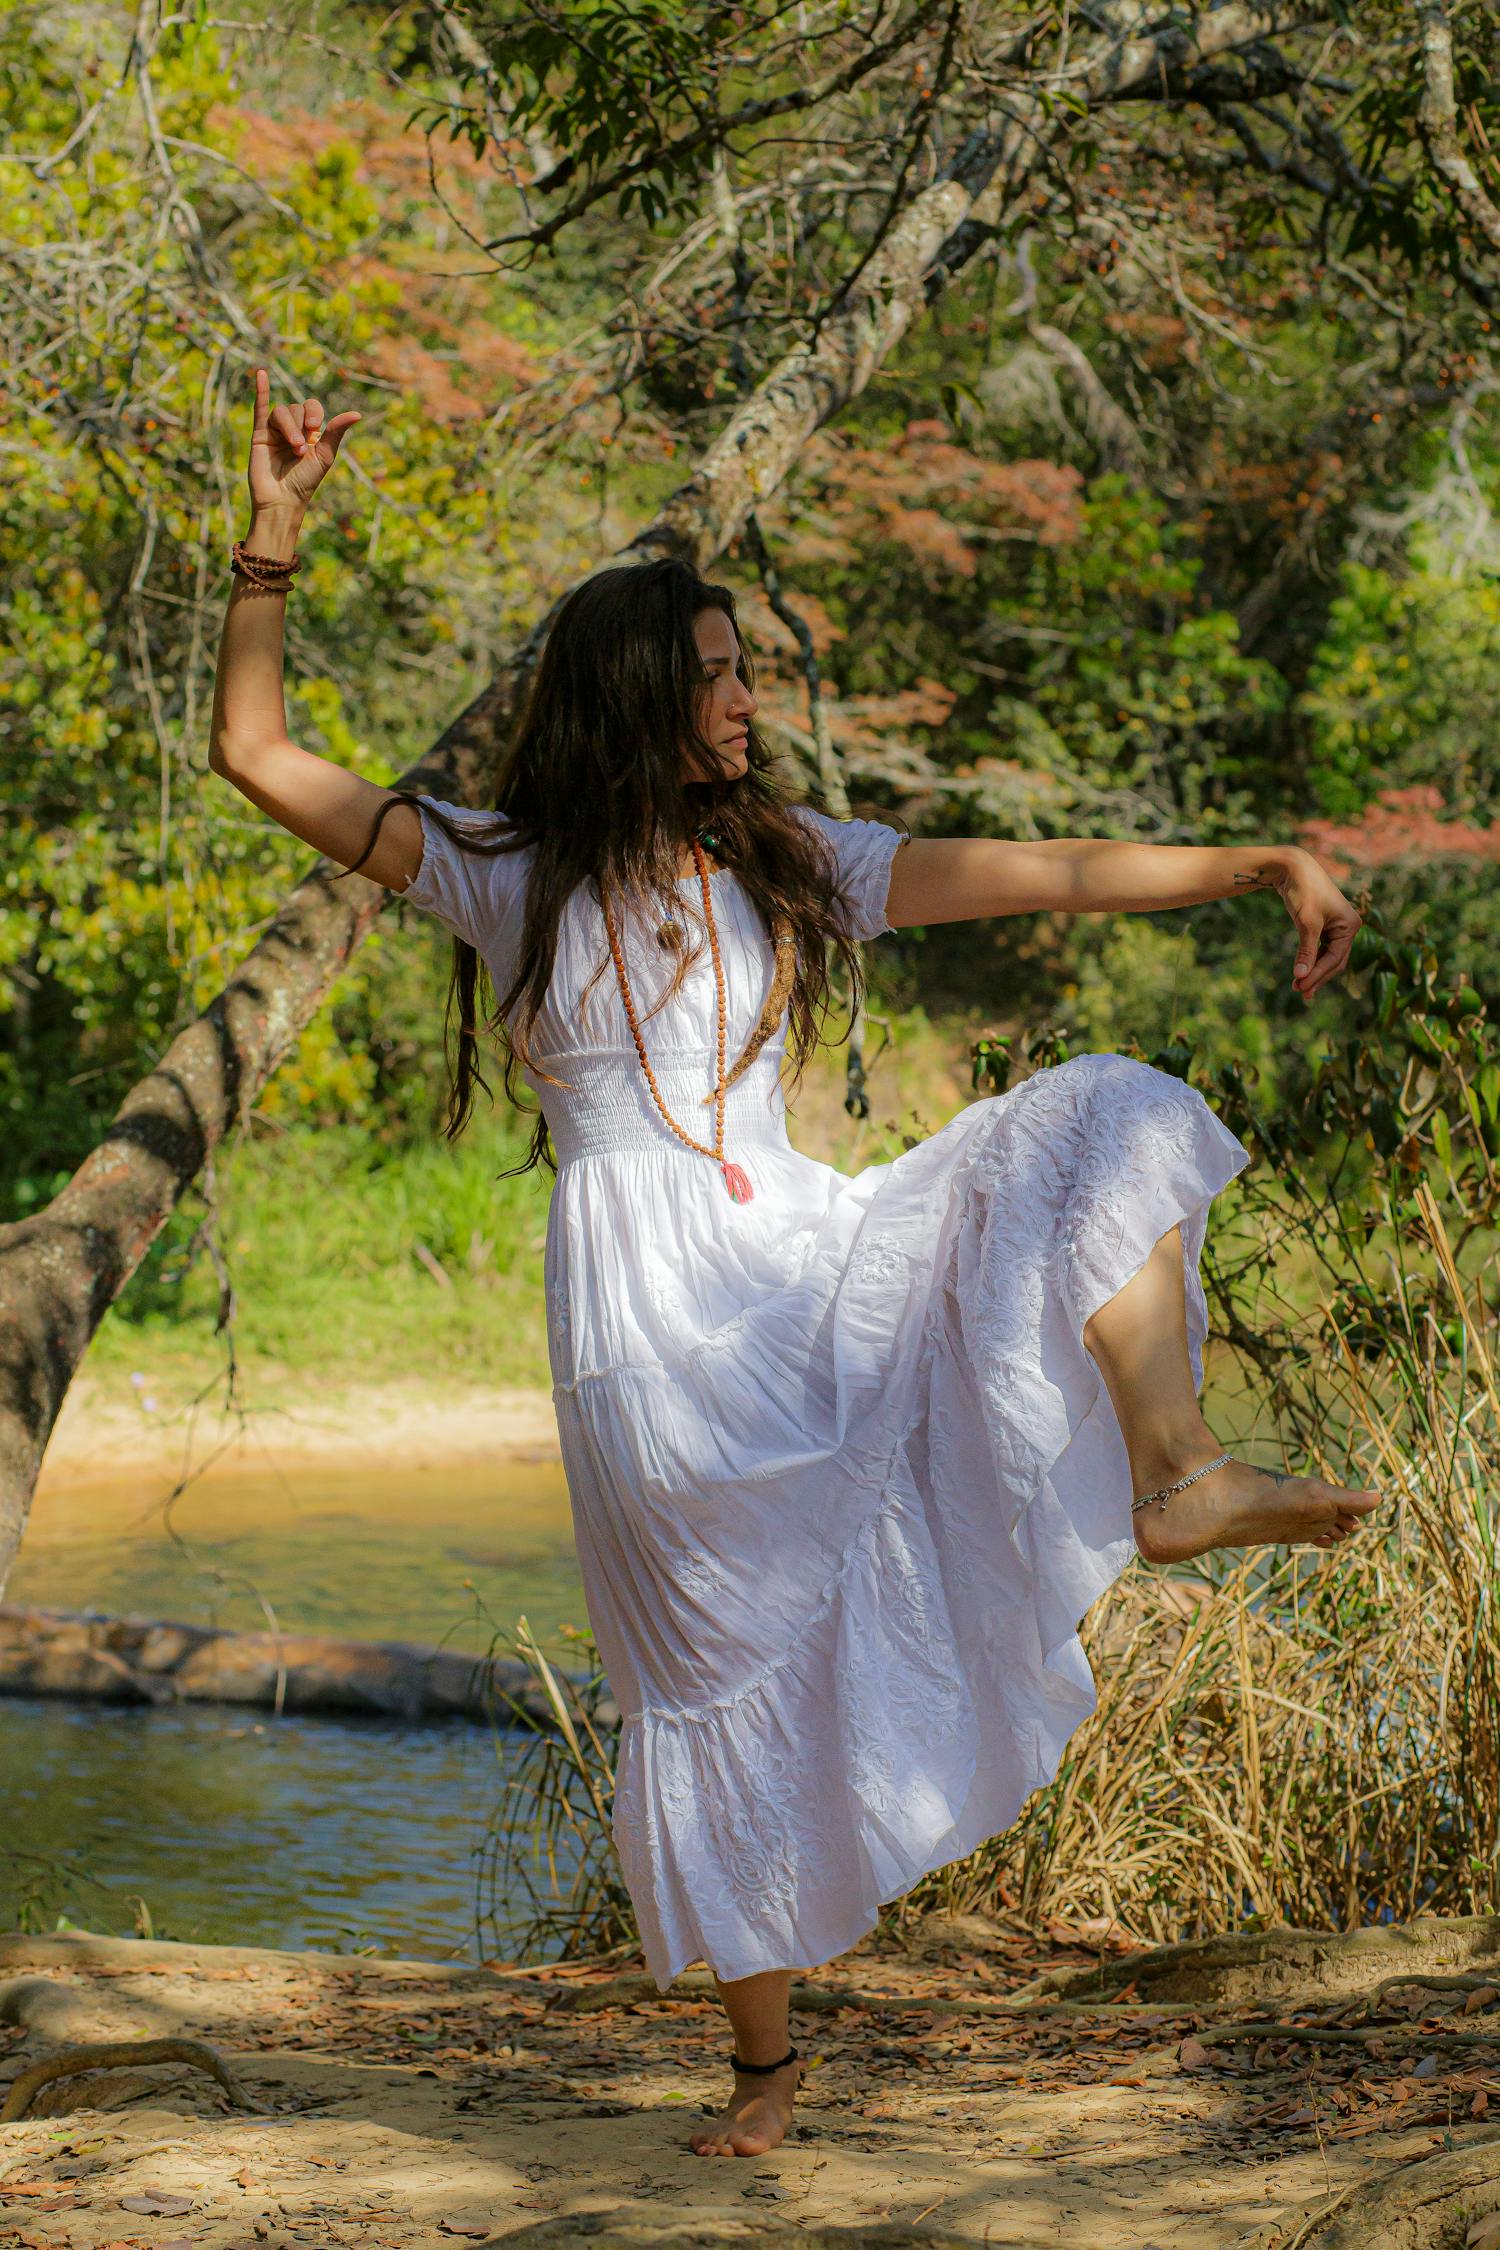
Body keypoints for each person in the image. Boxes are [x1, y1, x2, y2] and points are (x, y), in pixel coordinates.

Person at [209, 374, 1380, 2160]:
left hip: (797, 1254)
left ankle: (1179, 1470)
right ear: (640, 700)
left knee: (1101, 1115)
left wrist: (1254, 858)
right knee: (701, 1665)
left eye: (746, 667)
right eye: (720, 672)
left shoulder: (794, 863)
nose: (749, 697)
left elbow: (1048, 871)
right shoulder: (508, 879)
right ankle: (764, 2065)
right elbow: (260, 757)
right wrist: (273, 527)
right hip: (644, 1333)